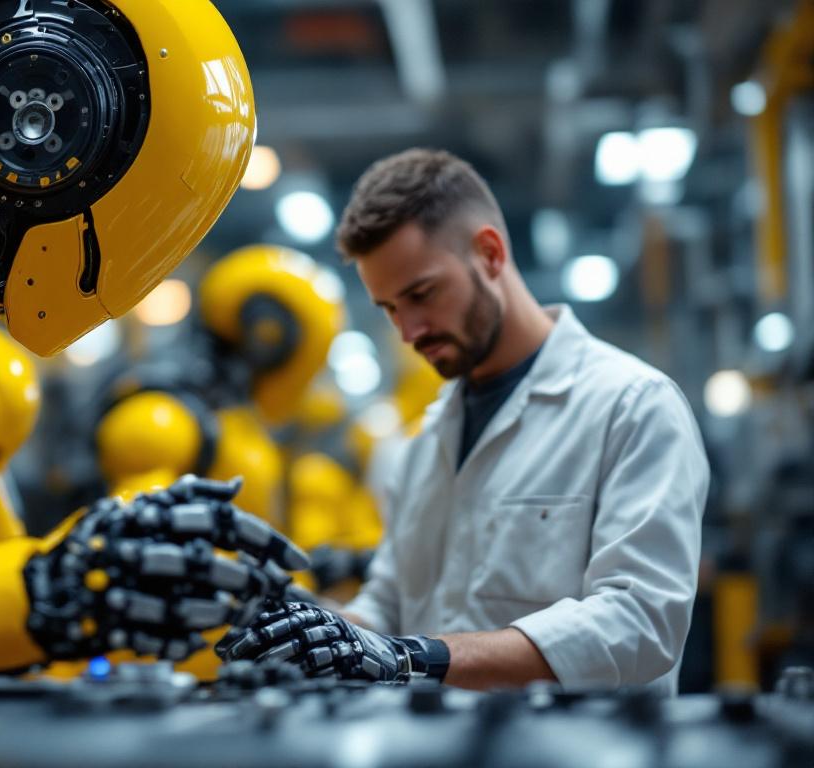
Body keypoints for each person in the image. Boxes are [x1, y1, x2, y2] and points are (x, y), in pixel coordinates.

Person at [220, 148, 709, 694]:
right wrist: (307, 631)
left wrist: (414, 658)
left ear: (490, 253)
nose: (408, 332)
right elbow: (389, 604)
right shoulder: (424, 442)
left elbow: (640, 622)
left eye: (421, 294)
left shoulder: (630, 407)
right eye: (389, 309)